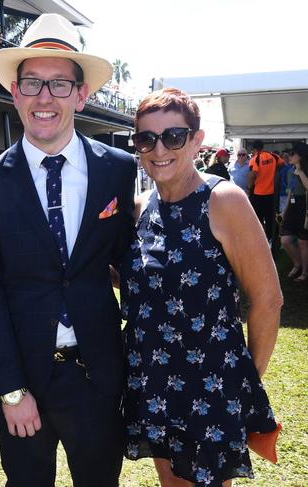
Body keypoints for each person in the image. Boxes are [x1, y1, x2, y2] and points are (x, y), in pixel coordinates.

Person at [0, 14, 136, 486]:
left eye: (60, 84)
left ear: (82, 94)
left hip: (98, 377)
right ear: (14, 92)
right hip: (26, 379)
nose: (45, 97)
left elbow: (129, 261)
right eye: (33, 83)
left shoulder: (117, 170)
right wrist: (10, 389)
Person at [122, 87, 281, 486]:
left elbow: (267, 299)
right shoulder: (141, 208)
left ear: (196, 140)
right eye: (147, 138)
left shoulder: (223, 200)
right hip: (156, 381)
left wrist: (244, 382)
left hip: (211, 386)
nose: (160, 148)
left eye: (173, 136)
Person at [280, 142, 308, 282]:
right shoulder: (290, 170)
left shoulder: (302, 170)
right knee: (285, 240)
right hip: (293, 205)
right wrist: (284, 212)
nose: (288, 156)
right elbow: (290, 191)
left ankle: (305, 271)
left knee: (303, 242)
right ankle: (297, 264)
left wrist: (301, 172)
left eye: (292, 154)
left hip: (305, 206)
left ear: (301, 156)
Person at [248, 140, 283, 241]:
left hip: (258, 194)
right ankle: (271, 239)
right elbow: (282, 163)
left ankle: (258, 239)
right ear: (263, 147)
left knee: (257, 219)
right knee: (270, 219)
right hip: (271, 194)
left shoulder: (255, 159)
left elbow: (253, 174)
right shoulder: (273, 156)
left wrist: (249, 186)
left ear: (254, 149)